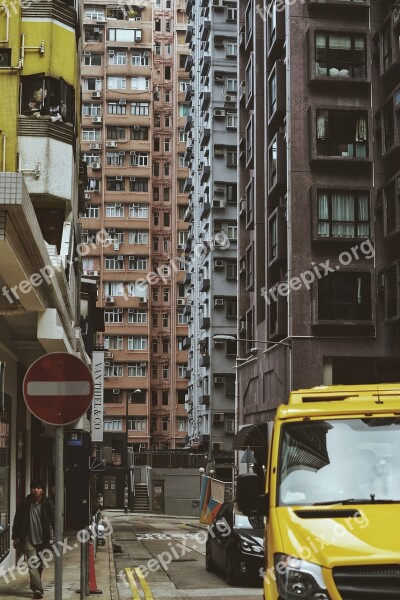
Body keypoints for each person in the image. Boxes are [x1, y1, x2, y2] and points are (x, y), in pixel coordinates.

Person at [12, 480, 55, 599]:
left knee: (39, 565)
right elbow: (17, 519)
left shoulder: (47, 504)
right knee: (33, 563)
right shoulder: (25, 503)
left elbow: (54, 520)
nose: (36, 490)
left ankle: (34, 584)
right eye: (33, 488)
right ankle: (38, 589)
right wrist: (15, 537)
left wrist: (57, 536)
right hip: (27, 538)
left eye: (38, 488)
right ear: (31, 489)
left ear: (42, 490)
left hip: (42, 539)